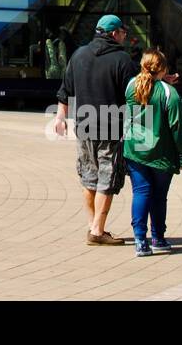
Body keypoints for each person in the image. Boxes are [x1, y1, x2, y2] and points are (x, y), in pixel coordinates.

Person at [53, 14, 137, 245]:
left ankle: (93, 226)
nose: (124, 35)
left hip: (84, 128)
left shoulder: (79, 55)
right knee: (106, 180)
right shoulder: (122, 60)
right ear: (113, 34)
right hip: (111, 129)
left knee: (89, 177)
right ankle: (98, 231)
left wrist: (60, 118)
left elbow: (64, 91)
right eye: (122, 32)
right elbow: (135, 96)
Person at [123, 48, 182, 257]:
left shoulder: (131, 85)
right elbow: (176, 127)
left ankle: (139, 241)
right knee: (159, 197)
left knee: (141, 192)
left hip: (136, 149)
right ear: (162, 68)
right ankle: (158, 238)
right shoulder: (169, 93)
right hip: (161, 153)